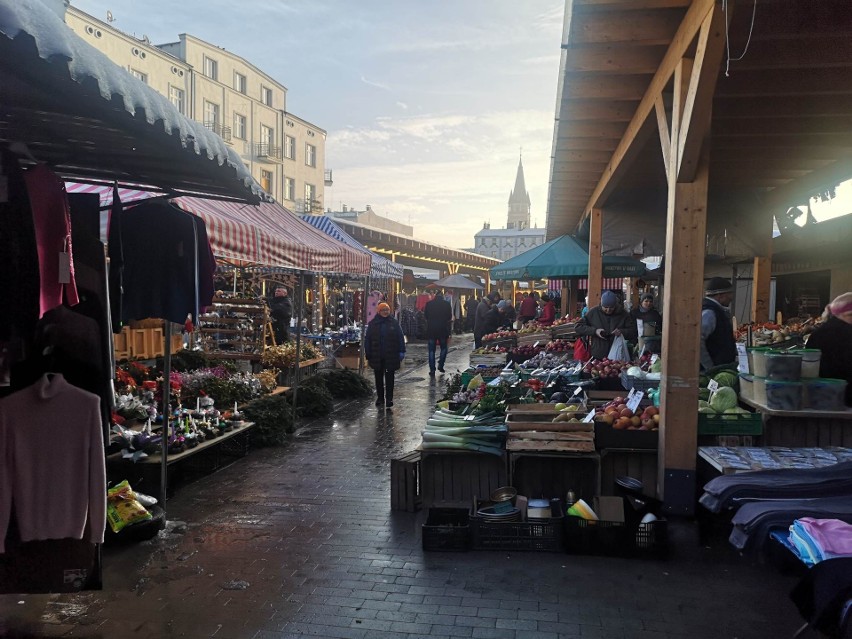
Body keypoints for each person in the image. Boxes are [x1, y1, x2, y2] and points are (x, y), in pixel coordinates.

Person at [804, 292, 852, 406]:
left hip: (819, 398)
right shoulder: (847, 334)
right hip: (846, 401)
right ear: (846, 314)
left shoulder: (816, 334)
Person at [364, 302, 405, 410]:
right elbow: (368, 339)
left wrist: (401, 351)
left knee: (389, 378)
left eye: (387, 310)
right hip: (377, 355)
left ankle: (389, 399)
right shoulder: (373, 324)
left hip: (390, 355)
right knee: (378, 378)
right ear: (379, 311)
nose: (385, 312)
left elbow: (400, 337)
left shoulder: (394, 323)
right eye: (383, 310)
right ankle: (380, 398)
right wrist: (367, 352)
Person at [574, 290, 637, 360]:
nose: (608, 310)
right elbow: (578, 327)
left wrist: (621, 332)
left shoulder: (624, 314)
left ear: (615, 305)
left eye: (611, 307)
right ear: (601, 304)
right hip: (598, 355)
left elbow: (633, 331)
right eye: (605, 307)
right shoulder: (593, 312)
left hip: (618, 355)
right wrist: (595, 331)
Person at [700, 277, 738, 372]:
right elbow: (697, 341)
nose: (731, 298)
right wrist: (710, 368)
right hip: (712, 371)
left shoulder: (715, 311)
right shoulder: (709, 313)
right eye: (729, 294)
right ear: (720, 295)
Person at [424, 291, 452, 376]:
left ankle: (432, 370)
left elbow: (426, 316)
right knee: (444, 348)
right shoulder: (447, 304)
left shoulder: (429, 304)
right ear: (442, 296)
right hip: (443, 329)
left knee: (431, 350)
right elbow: (449, 317)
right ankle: (441, 365)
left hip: (431, 329)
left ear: (435, 296)